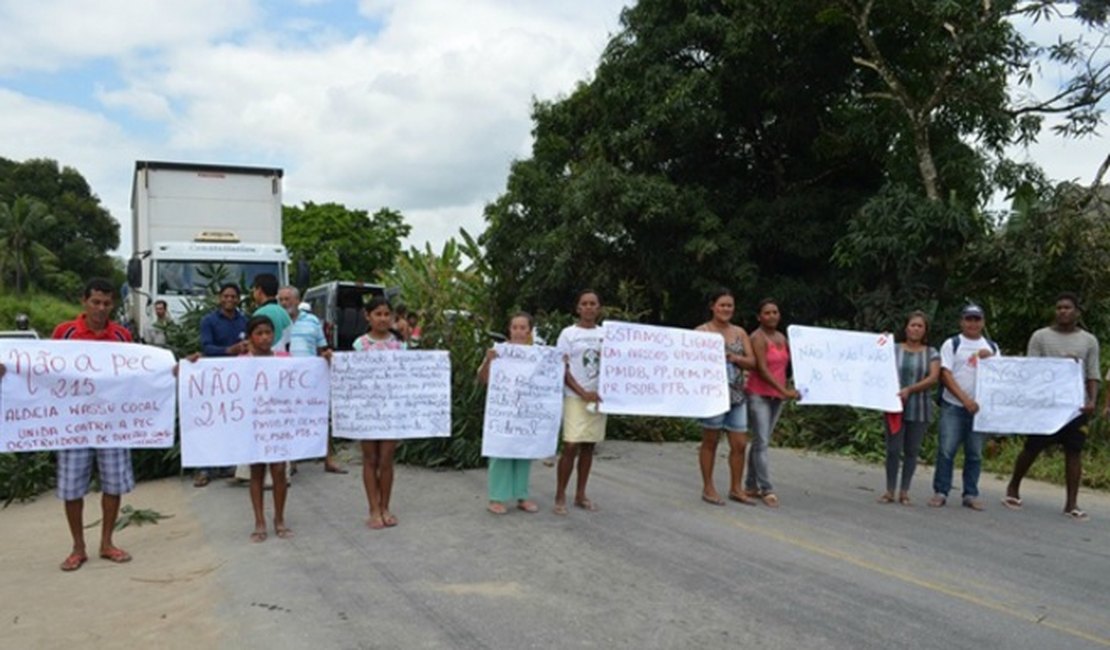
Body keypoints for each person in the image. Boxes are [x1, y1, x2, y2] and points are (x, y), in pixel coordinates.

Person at [0, 278, 135, 571]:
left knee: (113, 484)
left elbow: (141, 373)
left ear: (113, 304)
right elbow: (41, 368)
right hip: (72, 425)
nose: (101, 308)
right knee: (73, 488)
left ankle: (107, 542)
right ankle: (78, 547)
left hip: (112, 423)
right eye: (95, 302)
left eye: (106, 303)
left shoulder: (123, 336)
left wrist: (177, 370)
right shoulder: (65, 333)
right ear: (83, 302)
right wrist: (8, 372)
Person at [1004, 293, 1099, 520]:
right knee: (1033, 447)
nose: (1062, 312)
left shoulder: (1089, 341)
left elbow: (1092, 373)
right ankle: (1013, 487)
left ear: (1077, 312)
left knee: (1074, 451)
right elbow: (1032, 369)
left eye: (1067, 308)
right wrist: (1060, 364)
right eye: (1058, 308)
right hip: (1045, 405)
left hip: (1075, 406)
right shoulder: (1040, 337)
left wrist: (1092, 400)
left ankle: (1071, 504)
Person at [929, 304, 998, 510]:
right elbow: (946, 374)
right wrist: (964, 399)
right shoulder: (953, 344)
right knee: (946, 450)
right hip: (954, 405)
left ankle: (970, 493)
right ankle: (941, 491)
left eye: (977, 319)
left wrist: (991, 360)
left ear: (983, 322)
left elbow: (1001, 376)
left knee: (975, 453)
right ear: (962, 321)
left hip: (979, 410)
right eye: (969, 319)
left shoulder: (992, 348)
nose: (973, 323)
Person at [694, 289, 756, 506]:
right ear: (713, 306)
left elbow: (752, 362)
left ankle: (736, 488)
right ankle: (708, 487)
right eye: (722, 305)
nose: (726, 309)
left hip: (737, 395)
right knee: (710, 441)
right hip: (712, 396)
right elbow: (690, 361)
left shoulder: (740, 333)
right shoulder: (701, 332)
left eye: (730, 305)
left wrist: (735, 357)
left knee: (739, 444)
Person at [278, 286, 346, 474]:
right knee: (288, 419)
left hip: (310, 379)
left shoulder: (313, 321)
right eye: (281, 300)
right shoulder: (276, 323)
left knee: (320, 417)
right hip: (285, 380)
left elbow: (321, 347)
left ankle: (328, 459)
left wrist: (327, 354)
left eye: (288, 299)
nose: (284, 303)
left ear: (297, 301)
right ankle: (291, 462)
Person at [477, 313, 541, 515]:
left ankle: (522, 496)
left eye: (523, 328)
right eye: (515, 327)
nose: (519, 331)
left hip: (525, 413)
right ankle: (496, 498)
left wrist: (560, 363)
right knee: (500, 452)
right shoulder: (498, 351)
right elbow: (482, 379)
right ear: (509, 330)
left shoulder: (538, 354)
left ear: (530, 331)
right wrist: (488, 362)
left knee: (523, 453)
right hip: (502, 411)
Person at [353, 295, 406, 529]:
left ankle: (385, 506)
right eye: (378, 314)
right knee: (370, 458)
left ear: (392, 317)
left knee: (386, 460)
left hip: (391, 409)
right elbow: (350, 376)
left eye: (387, 314)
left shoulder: (400, 345)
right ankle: (373, 508)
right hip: (366, 410)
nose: (383, 319)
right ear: (368, 316)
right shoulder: (360, 345)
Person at [241, 315, 294, 542]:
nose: (264, 337)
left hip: (278, 424)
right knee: (256, 472)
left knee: (279, 472)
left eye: (268, 333)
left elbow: (304, 380)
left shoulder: (285, 358)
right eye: (259, 333)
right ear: (251, 336)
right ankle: (259, 521)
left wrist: (325, 359)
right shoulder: (242, 361)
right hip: (253, 425)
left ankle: (279, 518)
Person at [879, 311, 940, 506]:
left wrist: (910, 389)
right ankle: (889, 489)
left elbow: (933, 378)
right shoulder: (893, 349)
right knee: (893, 449)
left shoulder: (932, 353)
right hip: (894, 406)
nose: (915, 329)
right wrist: (881, 341)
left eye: (920, 326)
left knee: (912, 450)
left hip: (919, 406)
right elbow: (874, 361)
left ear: (925, 330)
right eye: (912, 325)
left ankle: (905, 491)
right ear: (906, 327)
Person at [554, 290, 606, 515]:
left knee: (588, 446)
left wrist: (601, 391)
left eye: (592, 303)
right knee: (571, 445)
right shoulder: (568, 334)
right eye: (584, 303)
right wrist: (581, 391)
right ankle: (560, 495)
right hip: (575, 397)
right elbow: (562, 368)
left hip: (599, 398)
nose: (588, 307)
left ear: (598, 308)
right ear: (577, 308)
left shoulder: (606, 334)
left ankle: (580, 494)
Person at [744, 298, 799, 508]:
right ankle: (766, 488)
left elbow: (790, 363)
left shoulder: (781, 337)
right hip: (759, 393)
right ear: (759, 317)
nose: (772, 316)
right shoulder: (757, 338)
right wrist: (784, 390)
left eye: (775, 312)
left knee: (760, 441)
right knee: (762, 442)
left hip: (777, 396)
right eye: (767, 313)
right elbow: (762, 369)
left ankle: (750, 484)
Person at [196, 283, 248, 486]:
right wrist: (229, 350)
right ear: (220, 298)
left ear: (238, 299)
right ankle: (204, 468)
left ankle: (230, 464)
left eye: (233, 296)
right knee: (212, 422)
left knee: (233, 420)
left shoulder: (245, 320)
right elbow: (206, 346)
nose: (229, 300)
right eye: (226, 296)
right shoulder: (209, 321)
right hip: (215, 379)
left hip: (238, 379)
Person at [251, 273, 292, 348]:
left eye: (254, 290)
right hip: (285, 357)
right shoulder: (284, 312)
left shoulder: (259, 314)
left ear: (259, 290)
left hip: (267, 357)